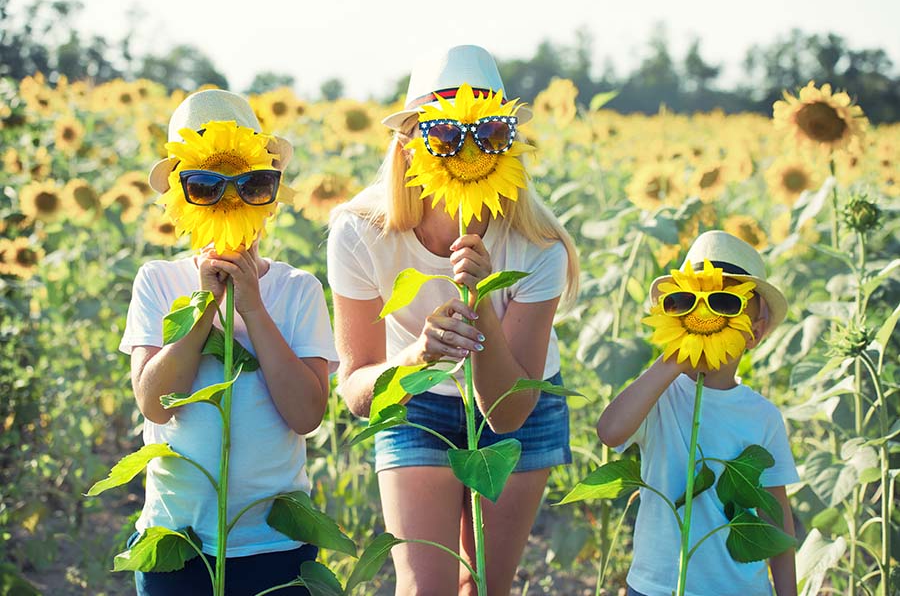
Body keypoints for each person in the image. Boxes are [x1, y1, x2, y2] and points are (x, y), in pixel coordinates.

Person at [327, 44, 580, 595]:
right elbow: (355, 388)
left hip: (519, 403)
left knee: (485, 586)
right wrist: (420, 356)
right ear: (408, 146)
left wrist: (482, 298)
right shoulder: (360, 232)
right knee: (424, 589)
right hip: (415, 400)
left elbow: (509, 411)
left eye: (487, 135)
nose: (465, 150)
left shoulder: (538, 247)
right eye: (443, 136)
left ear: (507, 148)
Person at [120, 89, 339, 596]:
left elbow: (307, 414)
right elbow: (155, 403)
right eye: (204, 186)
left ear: (270, 192)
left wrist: (254, 309)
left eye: (253, 184)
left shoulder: (296, 289)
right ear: (182, 192)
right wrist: (201, 311)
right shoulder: (158, 282)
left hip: (274, 542)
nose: (231, 200)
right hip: (178, 534)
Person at [596, 230, 798, 596]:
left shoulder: (762, 416)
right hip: (657, 586)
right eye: (686, 302)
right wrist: (672, 356)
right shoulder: (661, 395)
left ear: (754, 333)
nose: (703, 315)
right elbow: (610, 431)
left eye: (724, 304)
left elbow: (775, 518)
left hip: (737, 589)